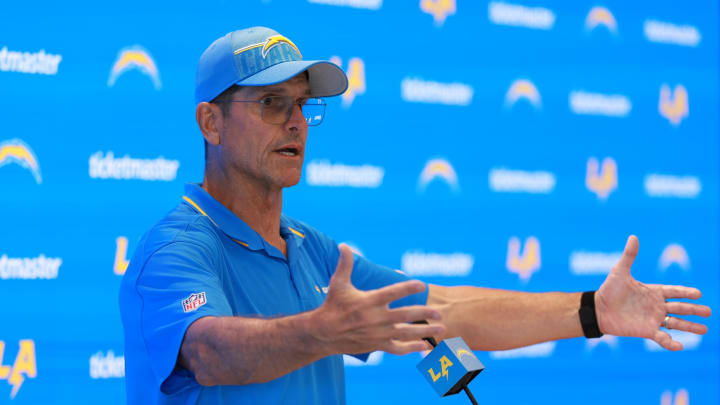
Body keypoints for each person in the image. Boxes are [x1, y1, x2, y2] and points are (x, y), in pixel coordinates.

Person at [118, 26, 711, 405]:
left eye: (303, 105)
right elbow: (207, 353)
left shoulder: (312, 249)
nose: (296, 122)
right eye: (272, 103)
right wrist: (322, 331)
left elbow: (443, 310)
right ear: (210, 123)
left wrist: (592, 312)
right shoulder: (175, 249)